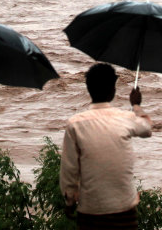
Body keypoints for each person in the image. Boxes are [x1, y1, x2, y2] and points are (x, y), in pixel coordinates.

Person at [60, 63, 152, 230]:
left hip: (91, 211)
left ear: (88, 89)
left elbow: (69, 169)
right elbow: (146, 129)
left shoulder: (75, 124)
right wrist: (136, 105)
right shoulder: (126, 118)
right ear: (113, 89)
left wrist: (69, 201)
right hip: (124, 209)